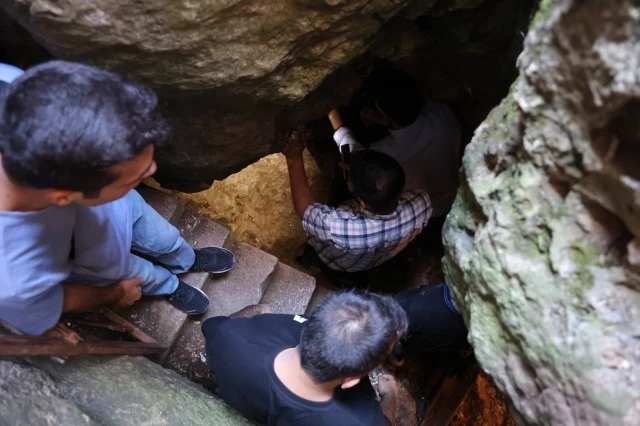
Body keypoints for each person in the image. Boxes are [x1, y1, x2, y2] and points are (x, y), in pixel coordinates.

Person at [0, 60, 234, 336]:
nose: (152, 171)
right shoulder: (14, 276)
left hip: (117, 206)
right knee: (136, 272)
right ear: (64, 197)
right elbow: (51, 302)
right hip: (90, 257)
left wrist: (125, 185)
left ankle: (184, 258)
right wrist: (117, 292)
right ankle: (168, 285)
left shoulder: (21, 91)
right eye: (135, 176)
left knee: (164, 237)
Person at [202, 290, 408, 426]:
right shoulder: (360, 420)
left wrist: (257, 312)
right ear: (351, 380)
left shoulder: (228, 337)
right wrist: (390, 395)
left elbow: (213, 325)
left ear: (310, 323)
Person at [282, 132, 432, 285]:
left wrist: (294, 159)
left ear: (361, 201)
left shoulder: (340, 228)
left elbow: (305, 209)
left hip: (339, 265)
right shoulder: (422, 202)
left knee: (337, 274)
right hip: (370, 262)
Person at [328, 68, 461, 220]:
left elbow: (351, 148)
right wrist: (382, 119)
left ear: (386, 117)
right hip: (454, 196)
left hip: (423, 213)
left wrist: (331, 111)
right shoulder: (443, 114)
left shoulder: (385, 155)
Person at [390, 283, 468, 366]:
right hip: (448, 320)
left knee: (402, 302)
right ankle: (399, 345)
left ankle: (399, 343)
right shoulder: (457, 326)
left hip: (437, 295)